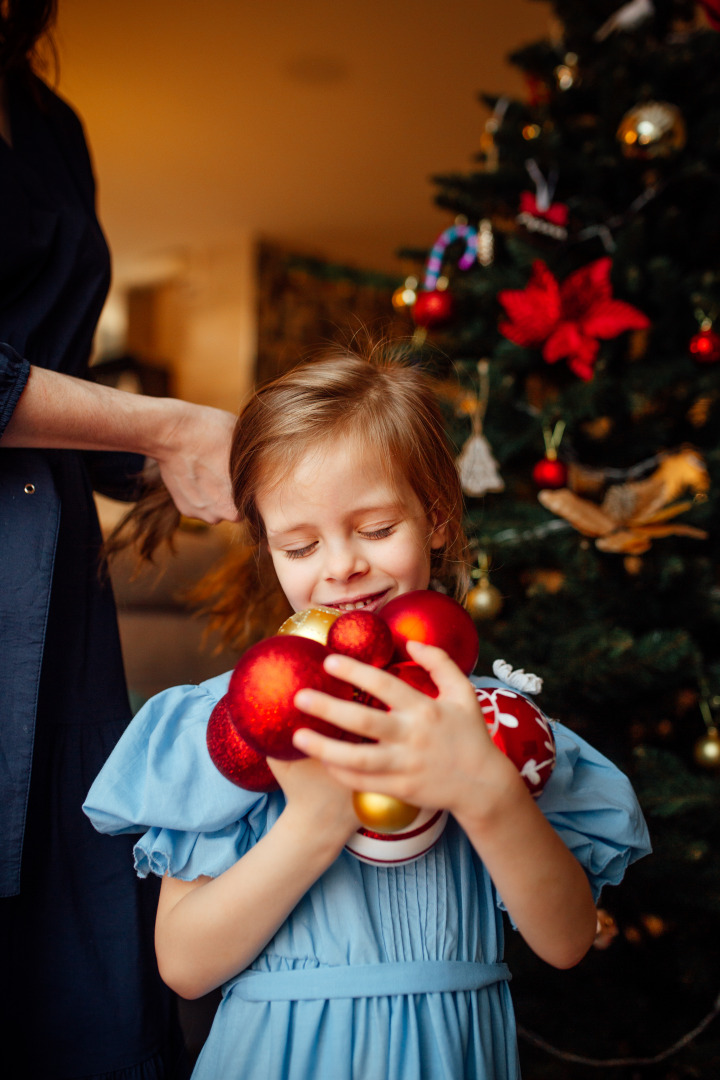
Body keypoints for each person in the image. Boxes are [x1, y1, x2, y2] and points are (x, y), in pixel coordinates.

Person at [84, 346, 651, 1080]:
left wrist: (487, 794)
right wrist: (315, 822)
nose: (342, 565)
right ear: (269, 552)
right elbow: (185, 967)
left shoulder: (499, 725)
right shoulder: (237, 725)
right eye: (300, 544)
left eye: (377, 530)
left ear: (438, 520)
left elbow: (567, 940)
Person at [0, 3, 238, 1076]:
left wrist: (257, 460)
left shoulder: (51, 123)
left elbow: (61, 388)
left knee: (75, 938)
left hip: (59, 611)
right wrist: (171, 423)